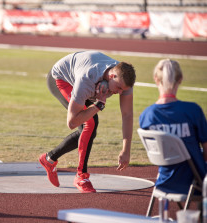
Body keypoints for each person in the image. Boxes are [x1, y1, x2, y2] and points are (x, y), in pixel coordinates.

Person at [38, 51, 136, 193]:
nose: (121, 93)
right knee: (90, 123)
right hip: (61, 78)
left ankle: (49, 159)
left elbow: (127, 115)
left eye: (124, 90)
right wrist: (99, 104)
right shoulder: (87, 79)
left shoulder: (123, 80)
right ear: (111, 76)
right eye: (119, 88)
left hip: (87, 74)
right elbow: (71, 122)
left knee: (88, 129)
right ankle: (81, 176)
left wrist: (126, 150)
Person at [139, 59, 207, 194]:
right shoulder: (192, 110)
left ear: (155, 79)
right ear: (180, 79)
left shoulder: (147, 115)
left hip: (164, 183)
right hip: (196, 181)